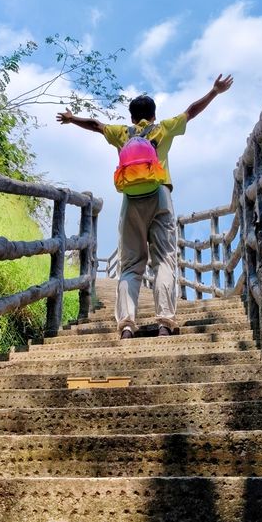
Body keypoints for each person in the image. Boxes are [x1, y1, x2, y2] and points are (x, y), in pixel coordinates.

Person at [57, 74, 233, 338]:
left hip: (131, 199)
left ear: (131, 117)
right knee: (163, 260)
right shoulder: (163, 128)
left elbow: (95, 124)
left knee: (130, 265)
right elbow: (190, 112)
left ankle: (127, 325)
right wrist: (214, 91)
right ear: (153, 115)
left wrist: (72, 119)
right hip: (160, 194)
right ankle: (165, 321)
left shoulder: (122, 133)